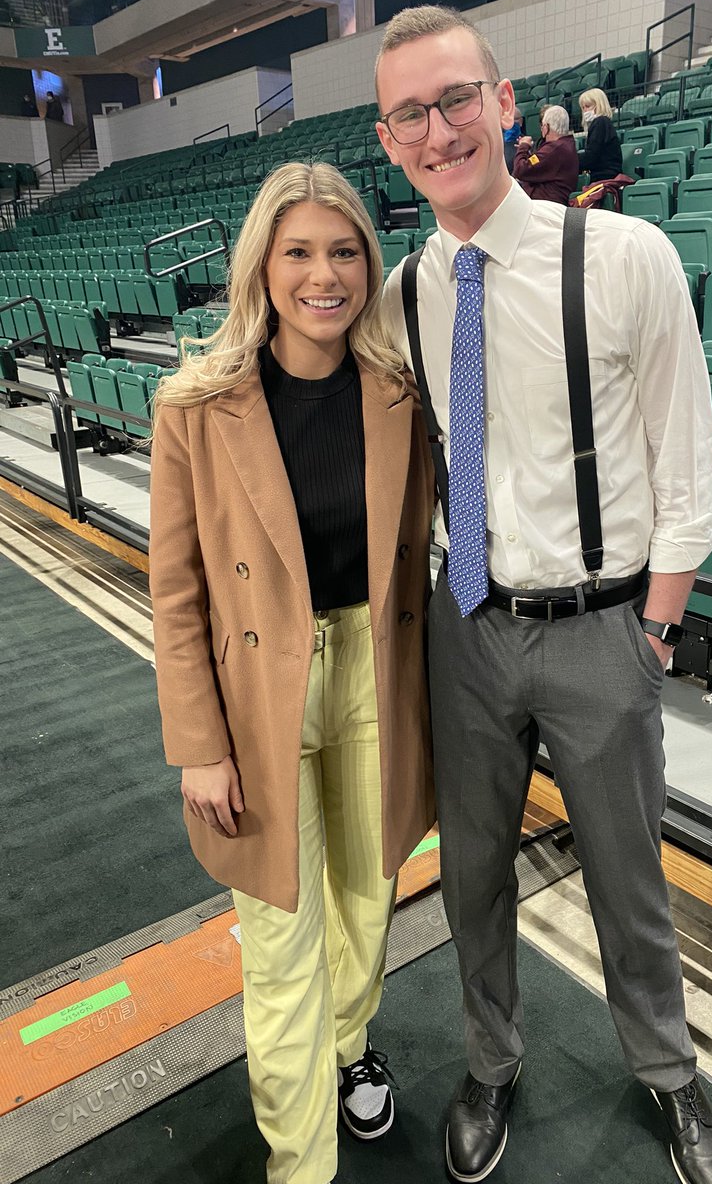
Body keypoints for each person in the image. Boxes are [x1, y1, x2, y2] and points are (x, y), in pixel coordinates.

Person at [374, 5, 712, 1184]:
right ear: (389, 141)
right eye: (411, 114)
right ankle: (492, 1059)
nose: (439, 129)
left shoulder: (627, 257)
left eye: (456, 98)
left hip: (601, 629)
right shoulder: (401, 296)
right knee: (473, 876)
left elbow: (691, 471)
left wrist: (659, 627)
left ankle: (670, 1074)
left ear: (504, 100)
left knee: (631, 881)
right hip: (467, 630)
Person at [149, 161, 435, 1184]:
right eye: (300, 251)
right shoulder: (195, 404)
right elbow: (176, 590)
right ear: (262, 268)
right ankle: (300, 1160)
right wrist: (200, 746)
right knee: (280, 939)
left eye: (345, 250)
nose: (326, 274)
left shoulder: (404, 393)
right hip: (255, 693)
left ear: (371, 261)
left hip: (373, 669)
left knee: (365, 905)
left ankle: (347, 1046)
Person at [512, 104, 579, 205]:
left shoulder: (554, 149)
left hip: (544, 207)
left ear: (546, 127)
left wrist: (523, 146)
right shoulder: (564, 145)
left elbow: (520, 170)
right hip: (543, 203)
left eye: (542, 126)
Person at [578, 86, 623, 182]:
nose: (585, 110)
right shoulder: (603, 123)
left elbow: (592, 155)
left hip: (605, 177)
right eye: (583, 107)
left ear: (599, 105)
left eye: (588, 106)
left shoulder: (600, 122)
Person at [503, 105, 524, 171]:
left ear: (521, 121)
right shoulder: (496, 145)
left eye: (515, 119)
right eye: (508, 119)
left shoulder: (528, 144)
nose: (512, 122)